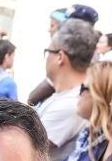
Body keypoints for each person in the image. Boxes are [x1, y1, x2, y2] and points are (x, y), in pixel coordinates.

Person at [34, 19, 92, 150]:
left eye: (48, 52)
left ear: (60, 57)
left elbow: (28, 151)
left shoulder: (71, 104)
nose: (46, 58)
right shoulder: (67, 95)